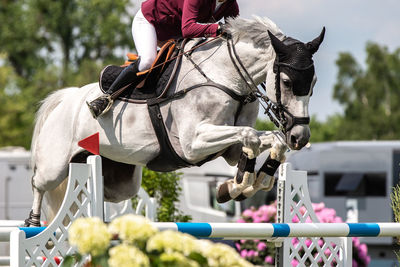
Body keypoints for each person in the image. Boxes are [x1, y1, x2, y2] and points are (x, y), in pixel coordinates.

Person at [87, 0, 239, 118]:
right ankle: (106, 98)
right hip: (150, 22)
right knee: (147, 60)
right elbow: (188, 28)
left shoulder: (231, 5)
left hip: (175, 32)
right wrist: (216, 29)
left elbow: (233, 34)